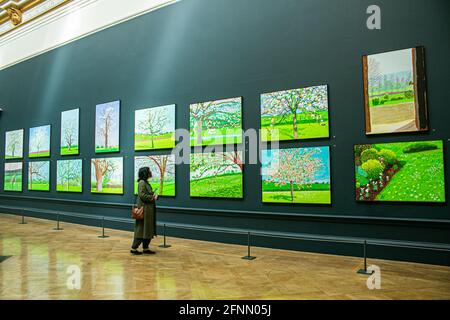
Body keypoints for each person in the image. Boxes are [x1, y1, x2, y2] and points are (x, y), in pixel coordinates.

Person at [131, 167, 158, 255]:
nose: (150, 172)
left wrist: (154, 195)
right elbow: (142, 195)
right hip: (144, 210)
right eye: (149, 171)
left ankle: (146, 248)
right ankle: (134, 248)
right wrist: (152, 197)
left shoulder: (146, 182)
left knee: (148, 230)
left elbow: (145, 194)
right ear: (145, 173)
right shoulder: (142, 182)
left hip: (148, 210)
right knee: (141, 229)